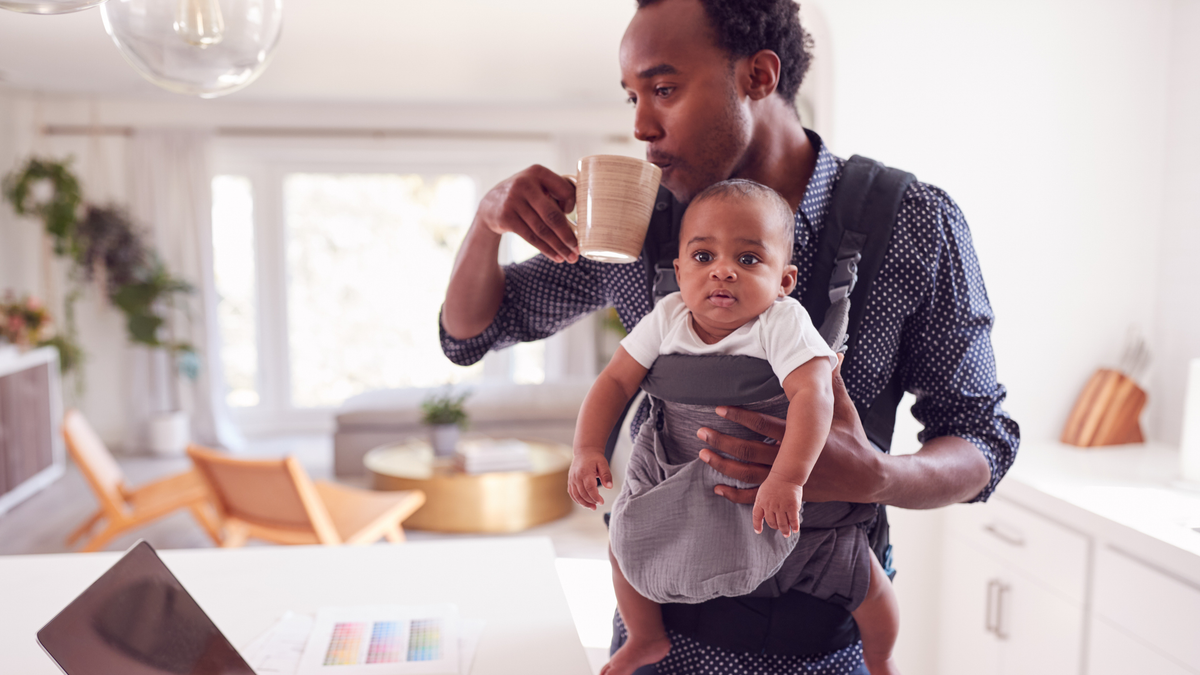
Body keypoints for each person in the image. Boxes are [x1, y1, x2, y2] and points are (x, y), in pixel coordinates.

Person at [439, 0, 1019, 672]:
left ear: (760, 75)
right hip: (659, 641)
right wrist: (487, 223)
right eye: (632, 95)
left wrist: (878, 474)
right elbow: (471, 333)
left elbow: (984, 439)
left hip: (822, 643)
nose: (640, 125)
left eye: (663, 89)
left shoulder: (913, 223)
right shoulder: (637, 224)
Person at [568, 179, 901, 675]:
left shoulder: (782, 323)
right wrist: (587, 448)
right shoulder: (668, 317)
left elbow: (813, 394)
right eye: (704, 258)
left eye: (748, 260)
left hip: (776, 495)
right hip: (678, 478)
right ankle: (645, 635)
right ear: (680, 272)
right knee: (624, 544)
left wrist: (787, 479)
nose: (723, 270)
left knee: (866, 580)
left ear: (783, 281)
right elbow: (615, 380)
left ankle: (883, 657)